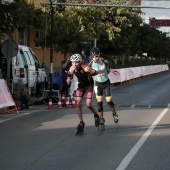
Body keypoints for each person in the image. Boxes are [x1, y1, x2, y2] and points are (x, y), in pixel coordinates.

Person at [67, 53, 103, 135]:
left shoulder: (85, 67)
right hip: (81, 86)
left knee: (88, 104)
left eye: (76, 62)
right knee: (78, 102)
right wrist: (68, 79)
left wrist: (98, 72)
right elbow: (69, 74)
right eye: (72, 62)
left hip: (89, 86)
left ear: (80, 62)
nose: (74, 64)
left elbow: (94, 72)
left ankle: (96, 115)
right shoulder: (72, 68)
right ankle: (81, 122)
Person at [89, 47, 119, 130]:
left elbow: (108, 71)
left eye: (97, 56)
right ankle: (101, 118)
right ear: (92, 56)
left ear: (99, 55)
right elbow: (89, 74)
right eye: (94, 56)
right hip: (98, 83)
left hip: (106, 82)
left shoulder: (105, 61)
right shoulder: (90, 64)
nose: (96, 58)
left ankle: (114, 113)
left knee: (109, 101)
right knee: (99, 103)